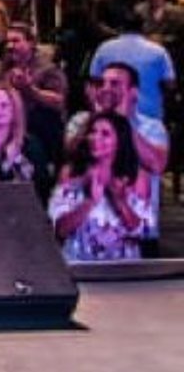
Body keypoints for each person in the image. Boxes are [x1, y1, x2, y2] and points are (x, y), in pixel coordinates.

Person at [49, 111, 155, 262]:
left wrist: (119, 201)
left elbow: (142, 232)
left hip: (123, 271)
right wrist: (89, 202)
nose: (94, 138)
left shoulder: (137, 178)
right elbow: (60, 230)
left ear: (120, 140)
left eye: (105, 134)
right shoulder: (71, 174)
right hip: (79, 266)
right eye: (92, 132)